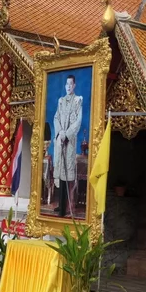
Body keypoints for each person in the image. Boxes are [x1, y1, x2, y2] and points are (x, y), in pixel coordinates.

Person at [53, 74, 83, 217]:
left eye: (71, 84)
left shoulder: (78, 100)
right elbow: (56, 117)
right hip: (61, 139)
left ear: (74, 85)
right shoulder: (61, 101)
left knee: (68, 173)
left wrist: (67, 134)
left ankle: (67, 206)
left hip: (69, 141)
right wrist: (60, 132)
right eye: (67, 84)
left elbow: (78, 121)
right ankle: (60, 204)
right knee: (60, 172)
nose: (68, 86)